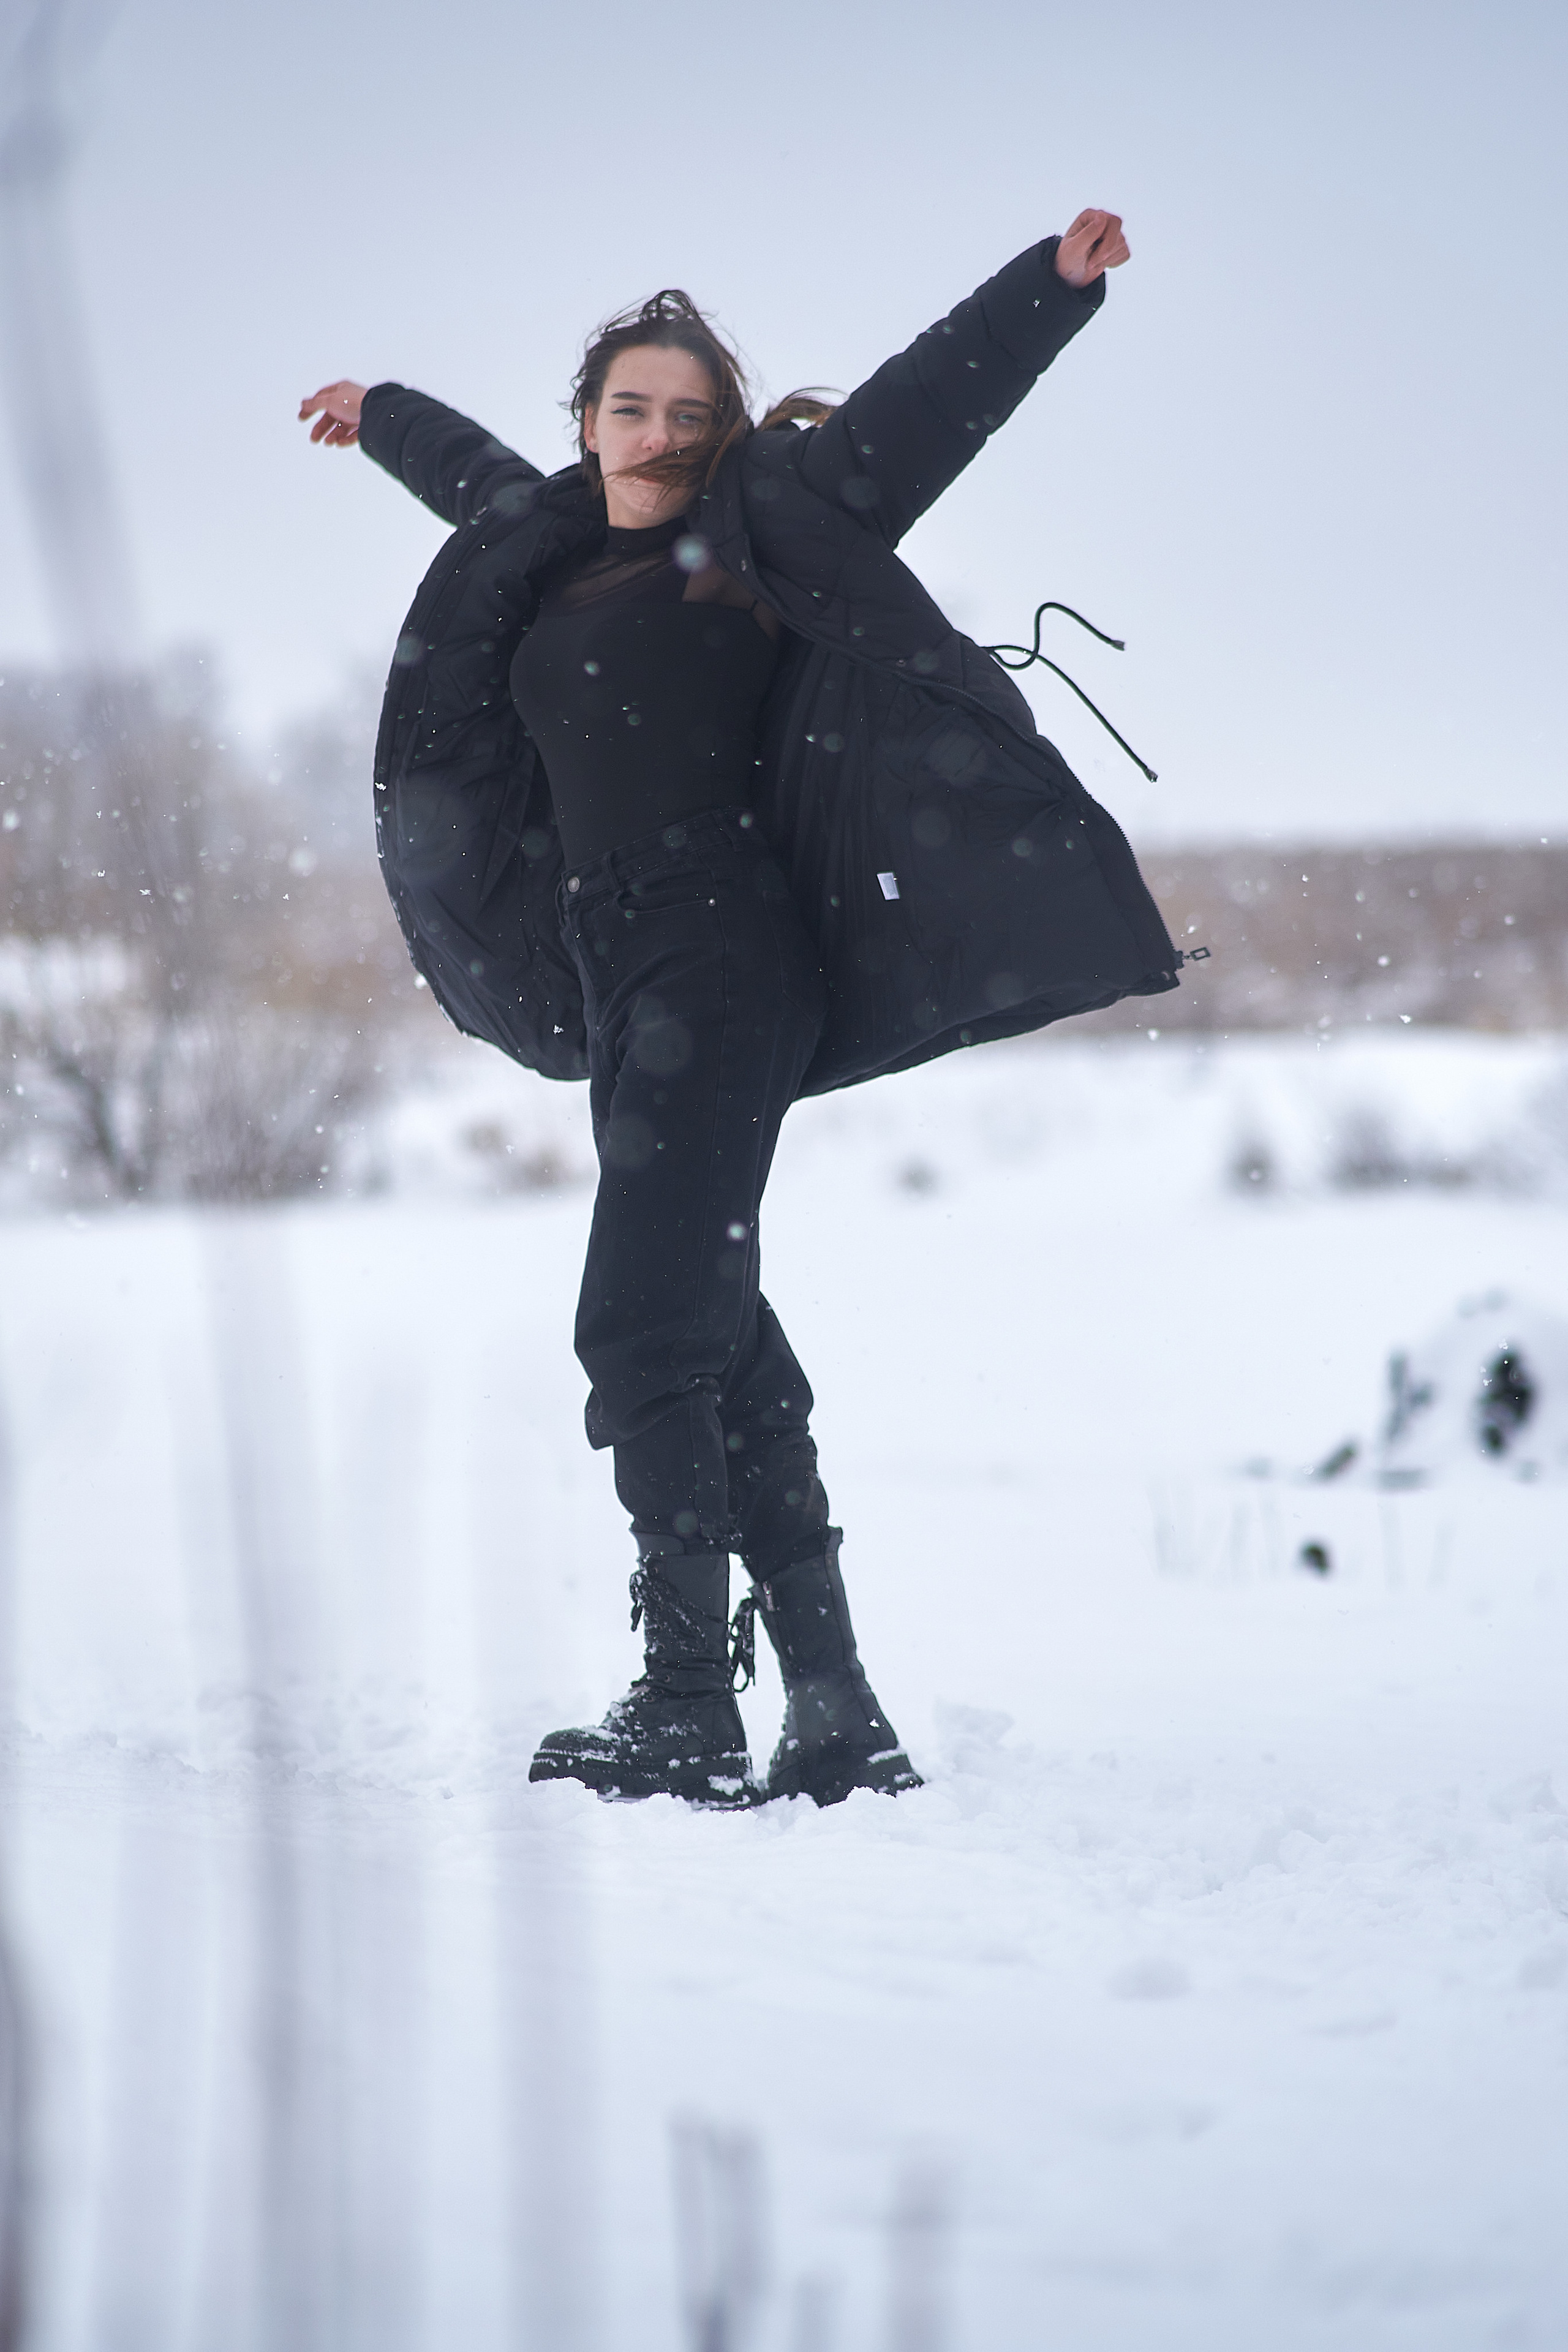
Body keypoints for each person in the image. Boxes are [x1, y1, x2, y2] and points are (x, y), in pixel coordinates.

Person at [300, 208, 1178, 1809]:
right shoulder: (543, 544)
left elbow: (921, 410)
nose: (656, 436)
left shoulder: (753, 535)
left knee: (643, 1325)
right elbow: (471, 474)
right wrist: (381, 415)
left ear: (720, 436)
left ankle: (691, 1703)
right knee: (715, 1326)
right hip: (619, 965)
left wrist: (1047, 290)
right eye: (628, 408)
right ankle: (834, 1708)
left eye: (687, 415)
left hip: (721, 948)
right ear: (588, 422)